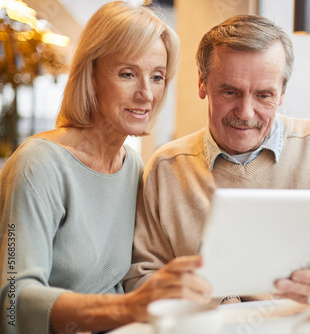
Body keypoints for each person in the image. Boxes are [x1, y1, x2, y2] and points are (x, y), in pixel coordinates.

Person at [123, 14, 310, 305]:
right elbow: (143, 275)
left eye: (264, 95)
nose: (246, 113)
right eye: (230, 91)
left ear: (282, 93)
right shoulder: (167, 168)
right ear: (202, 83)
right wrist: (213, 303)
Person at [0, 2, 211, 334]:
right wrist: (128, 308)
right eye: (128, 73)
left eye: (157, 77)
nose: (146, 93)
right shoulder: (38, 164)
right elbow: (14, 300)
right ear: (91, 75)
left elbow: (130, 281)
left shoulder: (133, 166)